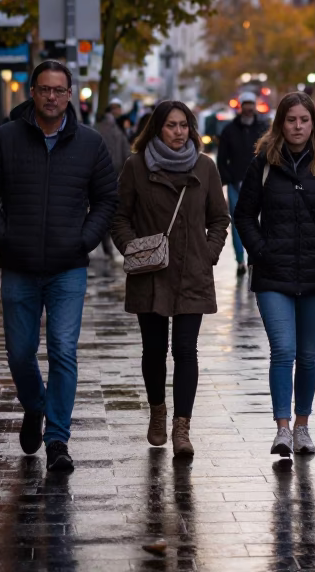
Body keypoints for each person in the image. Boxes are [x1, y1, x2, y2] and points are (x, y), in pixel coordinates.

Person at [0, 60, 119, 473]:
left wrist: (85, 239)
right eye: (44, 89)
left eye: (59, 90)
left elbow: (108, 199)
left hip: (67, 267)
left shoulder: (90, 143)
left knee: (62, 351)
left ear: (70, 95)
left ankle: (58, 439)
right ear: (32, 93)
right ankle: (35, 405)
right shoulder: (6, 139)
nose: (51, 96)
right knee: (20, 354)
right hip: (19, 265)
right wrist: (4, 236)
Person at [233, 92, 315, 458]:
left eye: (304, 120)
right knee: (283, 350)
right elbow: (243, 215)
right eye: (291, 120)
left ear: (313, 123)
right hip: (273, 274)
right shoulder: (263, 163)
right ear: (280, 123)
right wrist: (260, 251)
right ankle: (282, 429)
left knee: (307, 354)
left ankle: (303, 426)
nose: (297, 127)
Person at [112, 100, 230, 457]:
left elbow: (220, 219)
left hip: (192, 271)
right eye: (171, 126)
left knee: (185, 350)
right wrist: (133, 249)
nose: (178, 132)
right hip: (151, 273)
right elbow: (119, 217)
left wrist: (208, 253)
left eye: (183, 126)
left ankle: (182, 427)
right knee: (154, 350)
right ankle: (157, 413)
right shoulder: (136, 166)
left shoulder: (205, 167)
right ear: (156, 129)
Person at [217, 91, 269, 277]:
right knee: (238, 222)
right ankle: (240, 260)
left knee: (262, 221)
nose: (248, 108)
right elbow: (222, 159)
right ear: (240, 107)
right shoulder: (229, 130)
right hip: (236, 185)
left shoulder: (264, 129)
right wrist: (229, 179)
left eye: (251, 104)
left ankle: (256, 257)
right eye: (245, 104)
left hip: (261, 184)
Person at [96, 99, 133, 262]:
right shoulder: (113, 129)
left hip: (105, 176)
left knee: (106, 211)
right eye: (116, 108)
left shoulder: (107, 127)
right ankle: (108, 247)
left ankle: (108, 247)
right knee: (110, 211)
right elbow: (125, 155)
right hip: (112, 176)